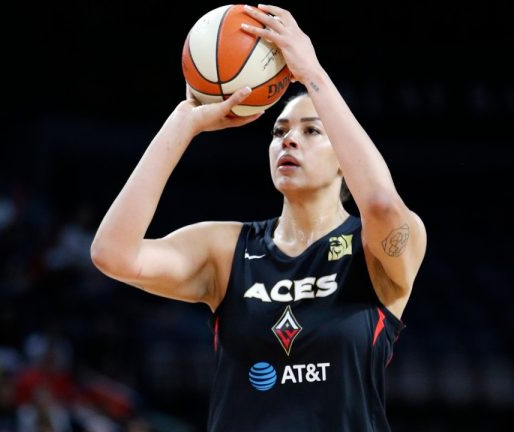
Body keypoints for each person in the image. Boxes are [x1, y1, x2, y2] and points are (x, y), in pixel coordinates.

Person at [90, 4, 427, 431]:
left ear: (344, 155)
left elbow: (379, 201)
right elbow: (111, 254)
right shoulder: (227, 249)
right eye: (279, 131)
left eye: (311, 130)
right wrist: (182, 125)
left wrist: (313, 74)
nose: (288, 140)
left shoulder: (379, 244)